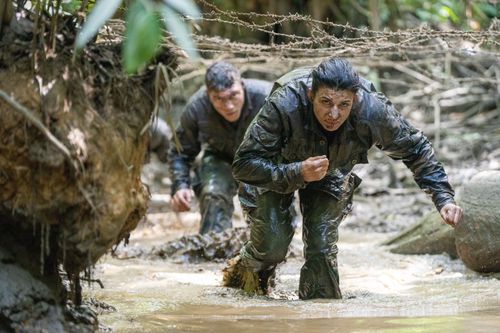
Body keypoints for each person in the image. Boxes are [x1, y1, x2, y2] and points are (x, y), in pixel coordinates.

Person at [222, 57, 463, 300]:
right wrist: (295, 172)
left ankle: (320, 315)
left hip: (333, 169)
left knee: (321, 247)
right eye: (325, 102)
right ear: (310, 94)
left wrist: (443, 198)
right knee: (271, 247)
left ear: (355, 100)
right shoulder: (284, 105)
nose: (334, 114)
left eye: (343, 104)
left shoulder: (372, 111)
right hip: (277, 165)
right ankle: (239, 285)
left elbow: (416, 148)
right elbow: (244, 165)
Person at [168, 61, 272, 234]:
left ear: (242, 85)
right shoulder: (196, 108)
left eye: (233, 95)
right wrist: (180, 185)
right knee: (213, 193)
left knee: (271, 212)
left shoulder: (267, 97)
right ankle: (214, 247)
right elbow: (180, 151)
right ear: (208, 94)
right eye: (219, 99)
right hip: (220, 157)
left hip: (263, 158)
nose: (229, 106)